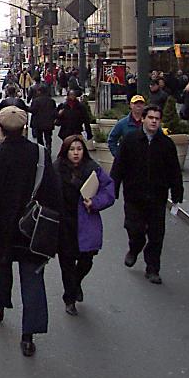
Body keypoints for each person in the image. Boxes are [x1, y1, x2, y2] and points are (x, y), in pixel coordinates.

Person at [0, 106, 62, 358]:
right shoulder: (40, 153)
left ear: (1, 128)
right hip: (33, 228)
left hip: (3, 228)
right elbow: (54, 194)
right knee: (33, 279)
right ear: (25, 127)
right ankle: (28, 336)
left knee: (3, 268)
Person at [110, 104, 183, 284]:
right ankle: (134, 248)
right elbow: (119, 166)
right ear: (143, 119)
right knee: (135, 229)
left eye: (157, 119)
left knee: (157, 235)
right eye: (150, 118)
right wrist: (112, 189)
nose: (154, 121)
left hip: (157, 197)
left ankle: (152, 268)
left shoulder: (166, 144)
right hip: (134, 195)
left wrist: (177, 192)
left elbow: (174, 171)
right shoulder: (130, 140)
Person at [55, 134, 115, 316]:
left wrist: (95, 203)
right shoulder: (56, 169)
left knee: (86, 260)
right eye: (72, 149)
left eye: (79, 149)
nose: (76, 153)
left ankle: (75, 283)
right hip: (63, 224)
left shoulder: (92, 169)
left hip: (86, 222)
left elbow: (108, 190)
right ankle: (69, 298)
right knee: (66, 263)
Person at [29, 84, 57, 153]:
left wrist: (26, 108)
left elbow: (33, 110)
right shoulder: (51, 101)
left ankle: (42, 150)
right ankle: (48, 147)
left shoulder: (36, 101)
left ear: (39, 92)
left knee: (39, 137)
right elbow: (54, 112)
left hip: (38, 122)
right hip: (48, 122)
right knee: (48, 136)